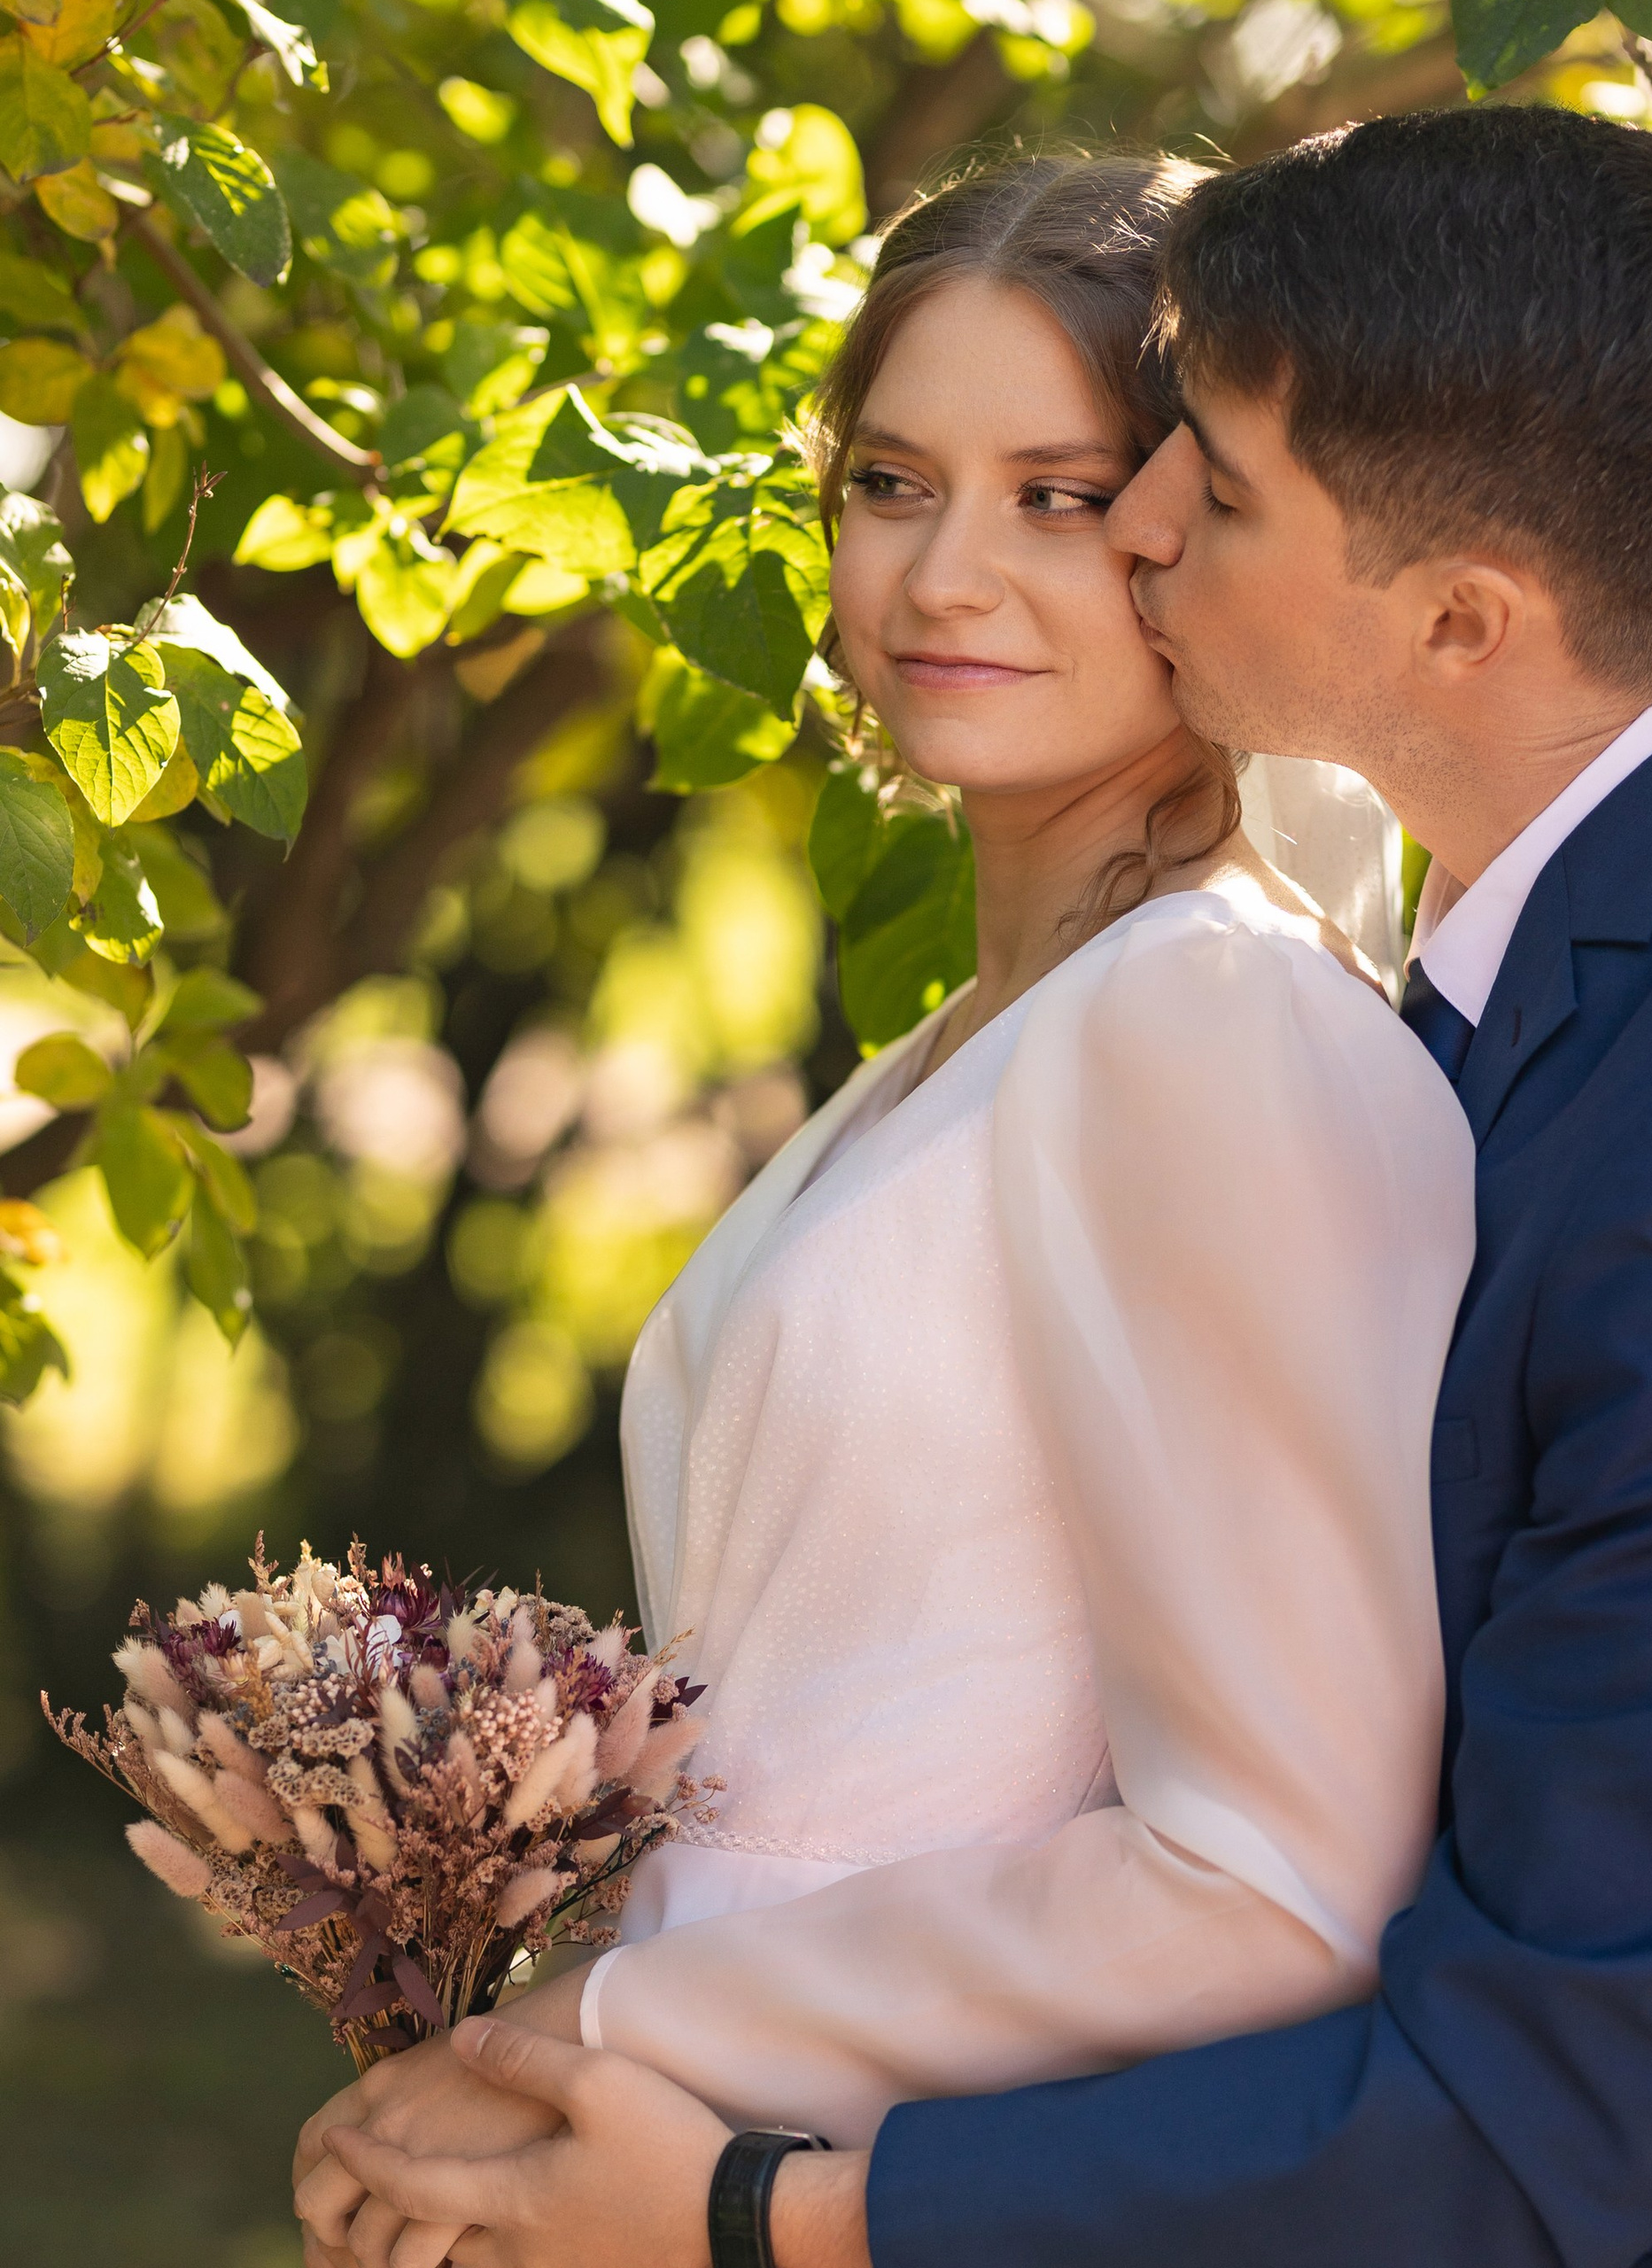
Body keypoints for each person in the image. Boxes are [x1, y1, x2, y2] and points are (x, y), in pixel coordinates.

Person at [307, 105, 1652, 2268]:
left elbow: (1549, 2058)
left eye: (1185, 486)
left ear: (1461, 617)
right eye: (888, 482)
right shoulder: (1531, 965)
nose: (1145, 527)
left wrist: (748, 2198)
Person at [295, 151, 1472, 2268]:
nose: (943, 576)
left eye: (1054, 493)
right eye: (888, 481)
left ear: (1194, 529)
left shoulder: (1205, 1019)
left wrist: (598, 2037)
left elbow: (1276, 1874)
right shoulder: (966, 1040)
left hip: (886, 2181)